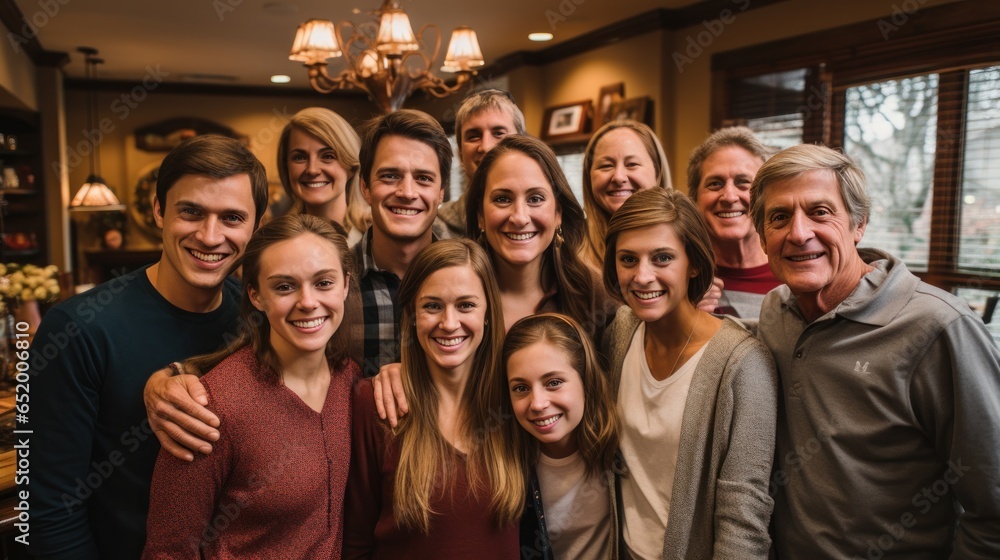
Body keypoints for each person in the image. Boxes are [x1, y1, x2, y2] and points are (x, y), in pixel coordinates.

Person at [143, 109, 452, 462]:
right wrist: (169, 377)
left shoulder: (468, 277)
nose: (407, 192)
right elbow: (253, 346)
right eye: (390, 176)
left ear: (443, 190)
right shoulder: (329, 282)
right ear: (364, 185)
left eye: (424, 178)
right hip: (355, 482)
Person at [749, 144, 1000, 559]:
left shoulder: (939, 329)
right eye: (779, 217)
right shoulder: (775, 313)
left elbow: (992, 504)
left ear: (859, 224)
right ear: (762, 236)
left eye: (820, 212)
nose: (798, 232)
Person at [26, 135, 268, 559]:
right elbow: (48, 509)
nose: (210, 236)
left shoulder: (256, 319)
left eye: (232, 218)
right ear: (159, 211)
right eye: (191, 212)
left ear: (255, 227)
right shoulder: (77, 329)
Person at [143, 214, 358, 558]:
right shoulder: (212, 407)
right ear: (256, 296)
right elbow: (168, 551)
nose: (308, 301)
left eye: (324, 283)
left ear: (345, 285)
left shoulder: (351, 380)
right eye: (285, 286)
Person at [603, 188, 777, 560]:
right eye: (628, 259)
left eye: (662, 258)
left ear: (694, 264)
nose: (642, 276)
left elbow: (743, 516)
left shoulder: (743, 363)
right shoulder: (621, 330)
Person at [343, 239, 522, 559]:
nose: (449, 323)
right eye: (432, 306)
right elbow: (355, 543)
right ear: (410, 314)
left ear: (488, 314)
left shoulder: (514, 401)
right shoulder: (376, 404)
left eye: (466, 305)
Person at [499, 313, 621, 560]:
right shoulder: (505, 466)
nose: (538, 403)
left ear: (585, 379)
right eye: (521, 388)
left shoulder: (619, 446)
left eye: (553, 382)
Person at [465, 134, 612, 335]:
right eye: (502, 199)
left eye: (535, 198)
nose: (520, 217)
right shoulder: (456, 291)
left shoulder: (593, 294)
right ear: (480, 215)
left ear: (558, 213)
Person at [686, 126, 779, 321]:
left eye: (743, 183)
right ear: (695, 199)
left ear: (767, 197)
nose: (729, 197)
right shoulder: (681, 276)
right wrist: (686, 315)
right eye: (715, 184)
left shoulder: (794, 269)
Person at [580, 120, 673, 272]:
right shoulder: (566, 249)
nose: (618, 177)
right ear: (588, 176)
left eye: (632, 164)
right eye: (606, 166)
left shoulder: (687, 241)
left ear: (658, 172)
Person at [436, 89, 526, 237]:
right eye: (473, 136)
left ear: (523, 146)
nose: (486, 147)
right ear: (460, 154)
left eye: (498, 133)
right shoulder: (437, 228)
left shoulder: (543, 220)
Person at [276, 107, 370, 243]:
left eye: (327, 156)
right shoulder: (275, 242)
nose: (312, 170)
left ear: (351, 166)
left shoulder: (375, 237)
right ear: (286, 167)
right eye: (299, 157)